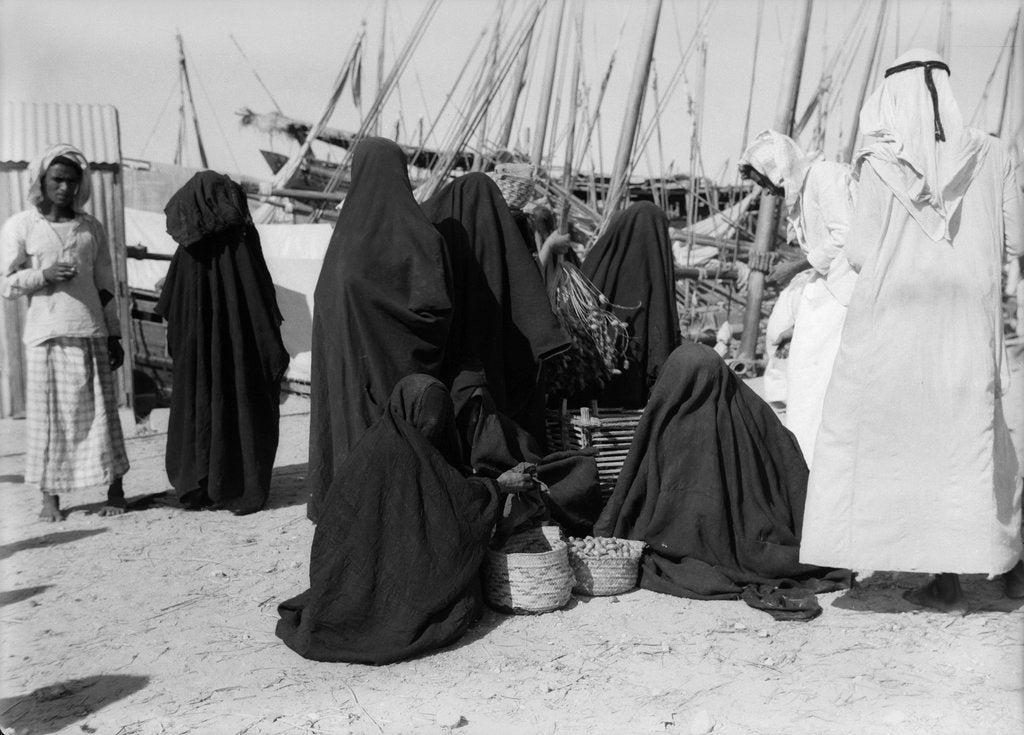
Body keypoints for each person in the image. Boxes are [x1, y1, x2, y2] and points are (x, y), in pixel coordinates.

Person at [800, 49, 1024, 613]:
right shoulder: (995, 153)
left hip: (897, 323)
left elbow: (858, 251)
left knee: (914, 446)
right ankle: (1011, 566)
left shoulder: (879, 165)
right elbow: (1018, 241)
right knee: (975, 441)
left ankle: (946, 582)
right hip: (968, 325)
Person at [277, 375, 535, 664]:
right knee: (460, 602)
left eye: (437, 420)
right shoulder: (401, 454)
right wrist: (498, 486)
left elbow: (440, 495)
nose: (432, 427)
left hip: (353, 575)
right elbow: (455, 507)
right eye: (429, 418)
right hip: (377, 574)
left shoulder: (380, 440)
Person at [594, 341, 850, 619]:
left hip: (684, 537)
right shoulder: (756, 412)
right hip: (760, 535)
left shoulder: (672, 420)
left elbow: (636, 485)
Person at [306, 137, 452, 523]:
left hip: (346, 368)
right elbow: (436, 311)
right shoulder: (421, 234)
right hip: (395, 372)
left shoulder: (344, 238)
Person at [0, 143, 129, 521]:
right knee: (49, 421)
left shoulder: (90, 228)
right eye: (58, 180)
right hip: (46, 337)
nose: (66, 189)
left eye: (73, 182)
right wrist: (43, 275)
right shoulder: (23, 225)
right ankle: (50, 498)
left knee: (101, 417)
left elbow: (105, 284)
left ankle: (115, 490)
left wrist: (114, 334)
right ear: (42, 180)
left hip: (90, 331)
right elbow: (5, 282)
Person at [155, 171, 290, 514]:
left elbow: (170, 311)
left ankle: (199, 481)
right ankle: (237, 481)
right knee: (242, 397)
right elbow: (265, 320)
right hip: (241, 363)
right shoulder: (242, 247)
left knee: (199, 400)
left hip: (195, 365)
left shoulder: (186, 257)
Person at [422, 171, 570, 445]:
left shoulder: (435, 236)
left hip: (449, 368)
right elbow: (525, 296)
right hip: (491, 361)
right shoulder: (498, 234)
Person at [739, 130, 856, 463]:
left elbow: (845, 236)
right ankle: (806, 453)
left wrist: (796, 266)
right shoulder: (803, 192)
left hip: (846, 290)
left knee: (816, 378)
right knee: (804, 375)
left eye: (764, 181)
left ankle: (816, 456)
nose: (766, 191)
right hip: (828, 287)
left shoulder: (824, 176)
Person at [579, 201, 680, 409]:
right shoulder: (654, 272)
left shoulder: (599, 262)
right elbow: (660, 335)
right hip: (634, 401)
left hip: (587, 394)